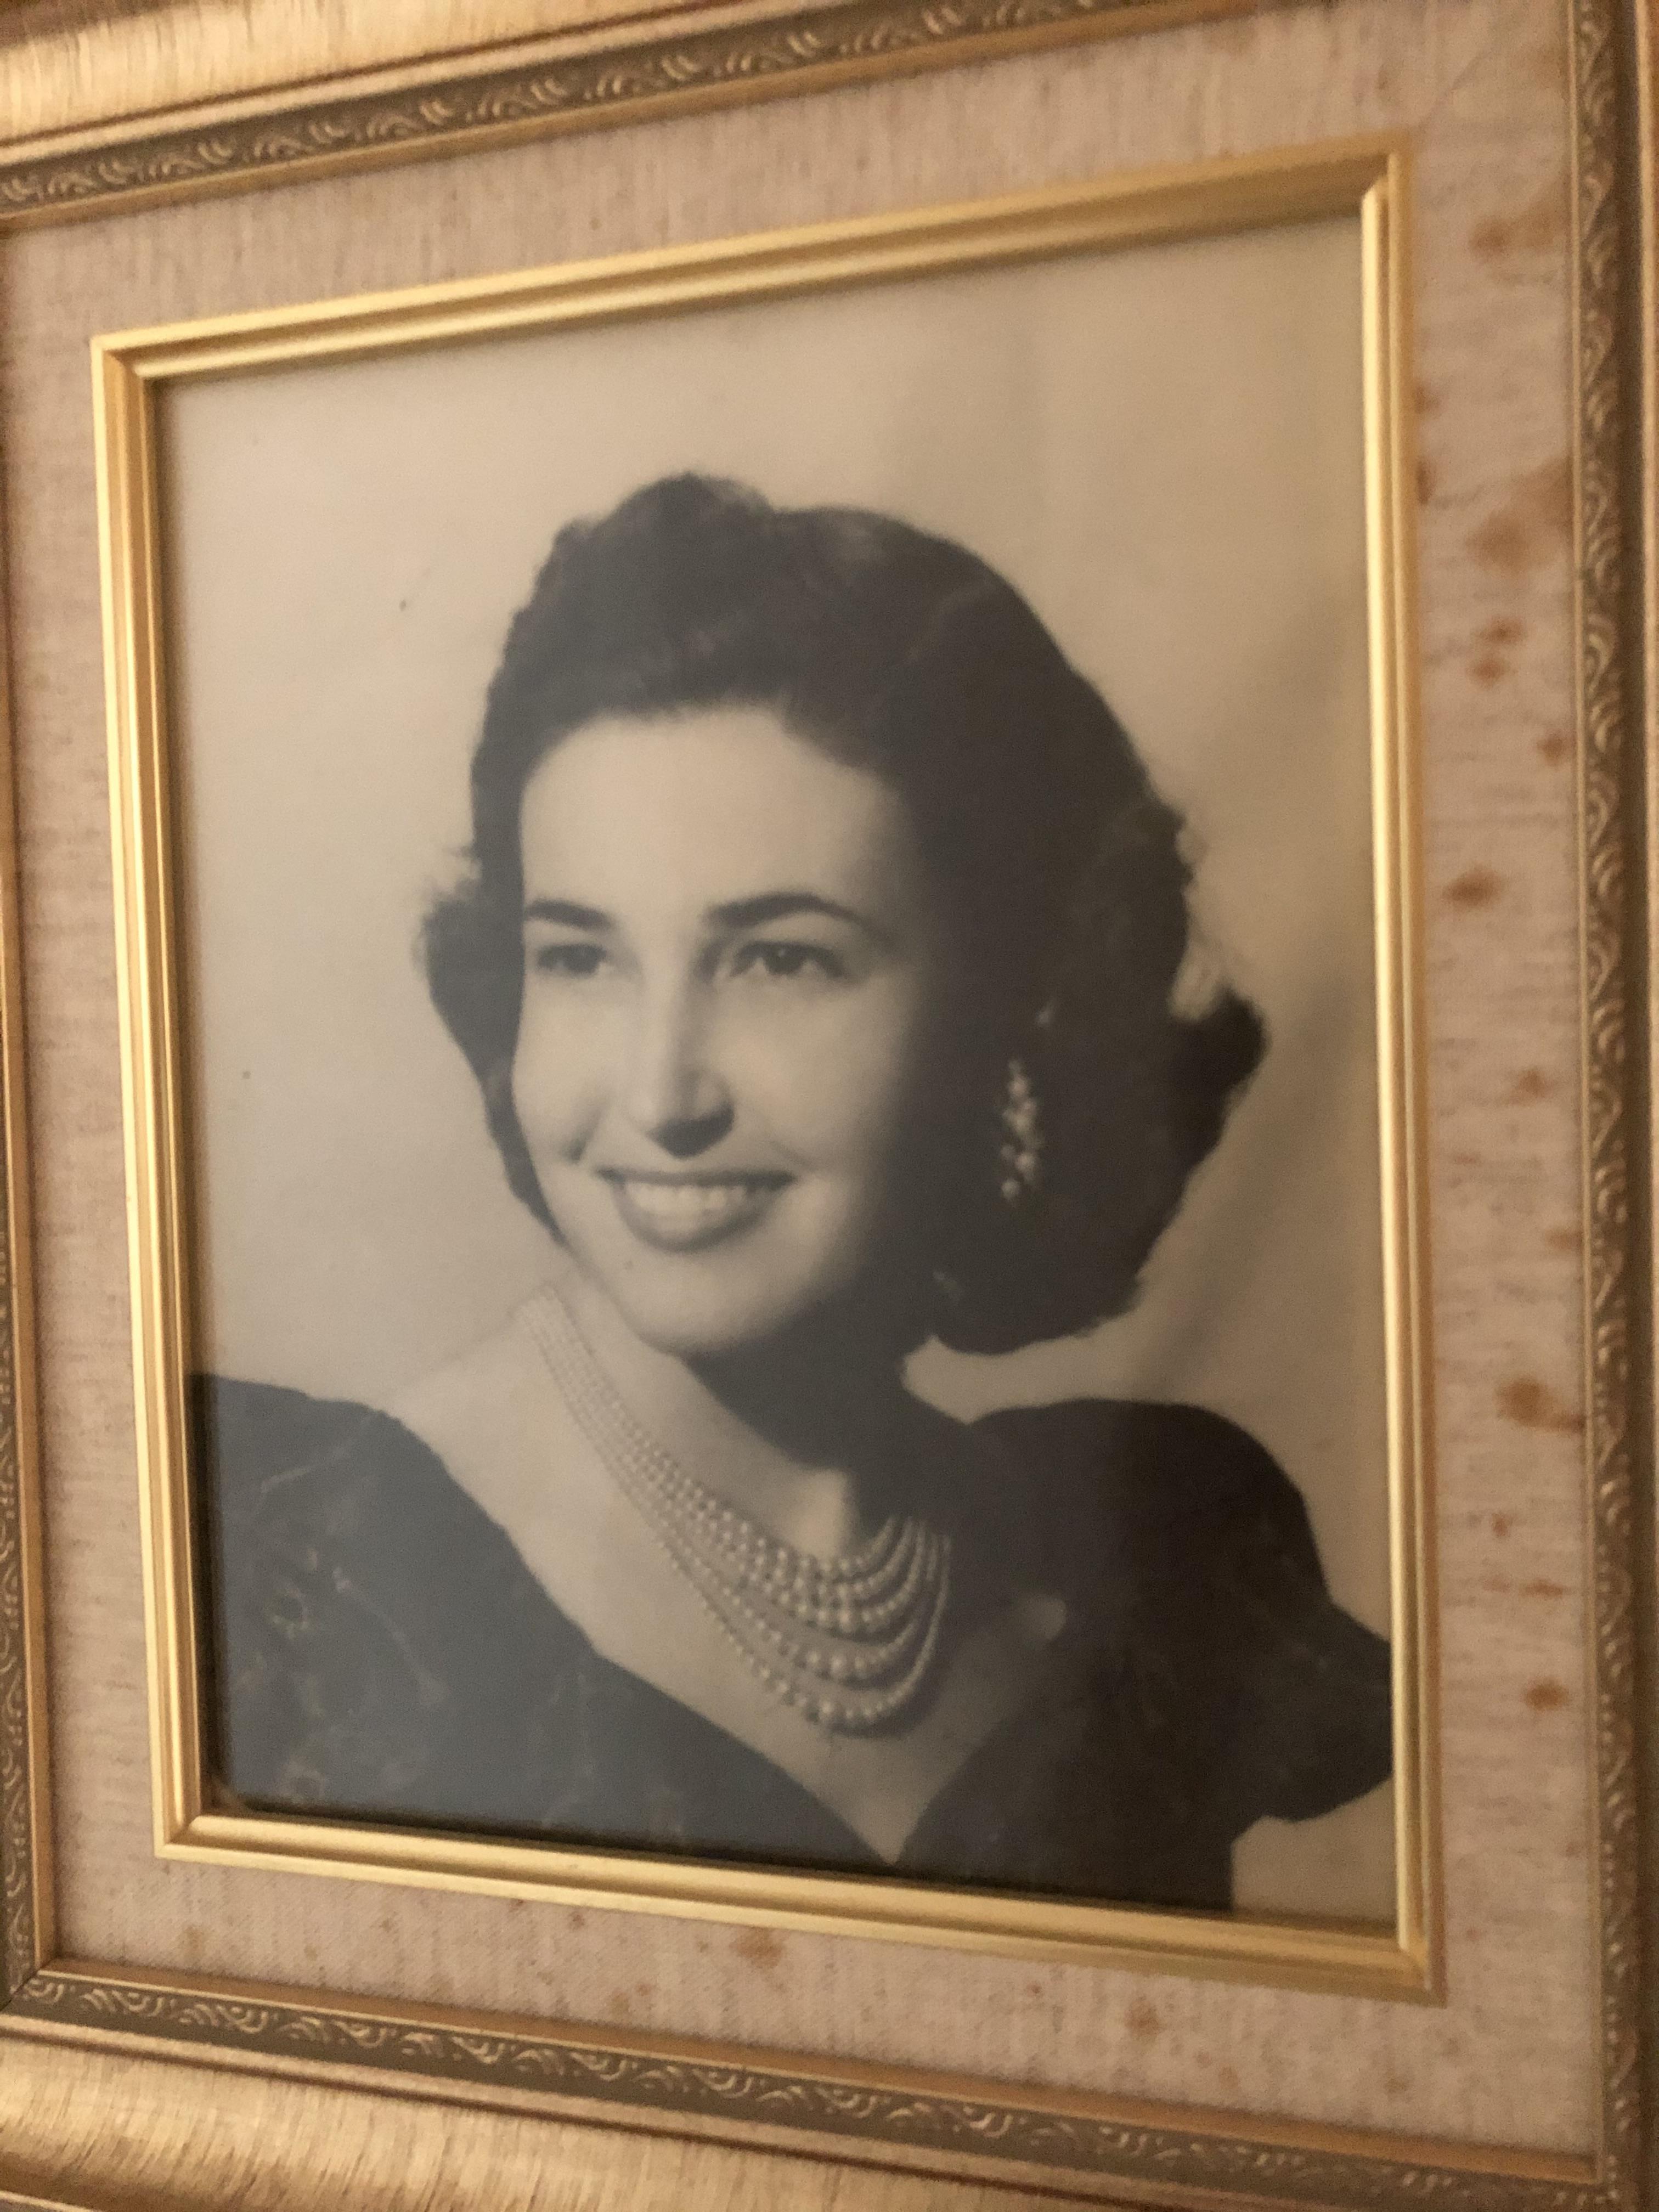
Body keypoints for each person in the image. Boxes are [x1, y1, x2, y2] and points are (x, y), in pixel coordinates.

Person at [195, 473, 1390, 1909]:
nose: (659, 1097)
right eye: (580, 957)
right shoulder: (282, 1552)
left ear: (1016, 1015)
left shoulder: (1166, 1550)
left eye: (781, 960)